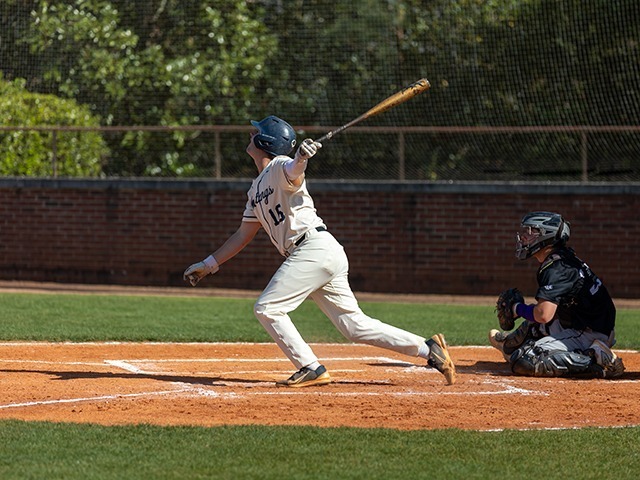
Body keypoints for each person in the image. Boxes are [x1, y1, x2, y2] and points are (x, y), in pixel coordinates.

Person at [183, 115, 456, 387]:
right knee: (353, 326)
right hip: (319, 252)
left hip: (312, 248)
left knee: (268, 308)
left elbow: (294, 171)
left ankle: (309, 367)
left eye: (255, 133)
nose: (250, 136)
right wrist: (209, 264)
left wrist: (302, 157)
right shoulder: (255, 189)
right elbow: (243, 234)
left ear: (266, 141)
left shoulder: (279, 166)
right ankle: (427, 348)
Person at [489, 211, 624, 378]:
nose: (524, 237)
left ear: (546, 236)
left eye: (531, 232)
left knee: (524, 361)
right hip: (576, 322)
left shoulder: (557, 268)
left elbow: (544, 314)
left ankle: (597, 360)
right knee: (521, 338)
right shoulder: (562, 259)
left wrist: (517, 308)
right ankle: (508, 344)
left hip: (588, 331)